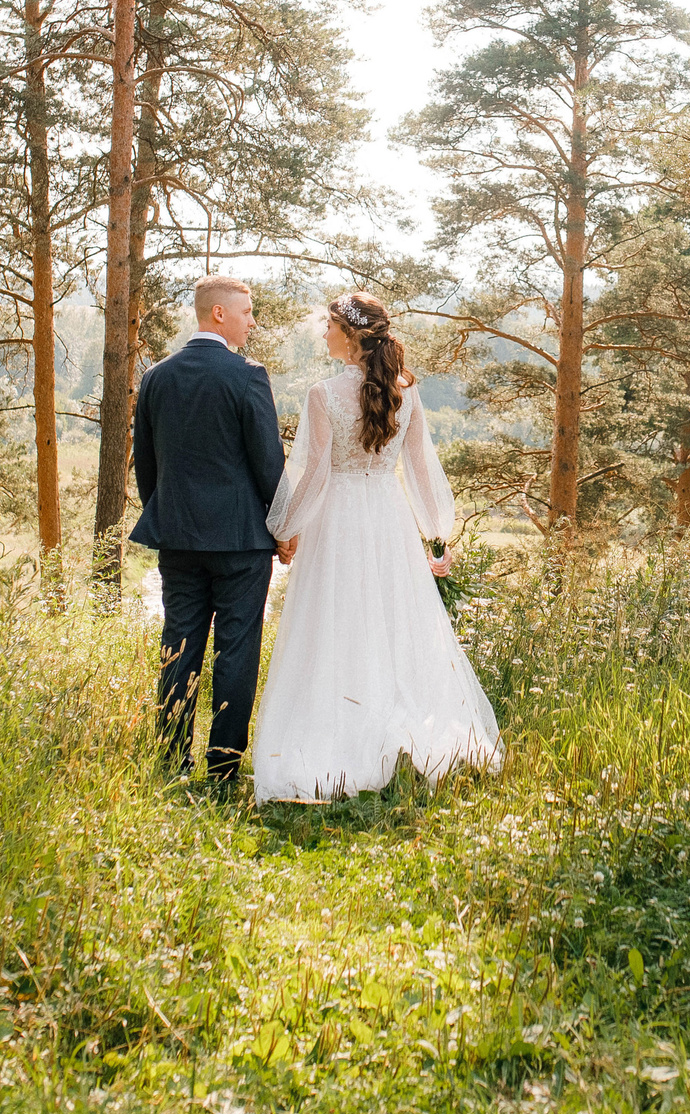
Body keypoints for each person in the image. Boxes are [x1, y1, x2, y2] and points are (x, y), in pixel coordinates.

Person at [250, 290, 502, 803]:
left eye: (329, 326)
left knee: (337, 619)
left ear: (349, 335)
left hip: (337, 520)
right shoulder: (405, 390)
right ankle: (397, 726)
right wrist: (437, 534)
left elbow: (313, 474)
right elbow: (421, 466)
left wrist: (284, 528)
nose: (324, 334)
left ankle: (344, 736)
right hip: (389, 518)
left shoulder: (323, 394)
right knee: (393, 620)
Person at [130, 274, 283, 784]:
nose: (251, 321)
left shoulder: (156, 377)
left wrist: (168, 515)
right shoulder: (247, 376)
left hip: (178, 538)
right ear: (219, 313)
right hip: (241, 541)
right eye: (246, 311)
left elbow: (146, 464)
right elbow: (269, 464)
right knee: (237, 648)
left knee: (179, 644)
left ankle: (171, 759)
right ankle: (223, 766)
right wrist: (283, 527)